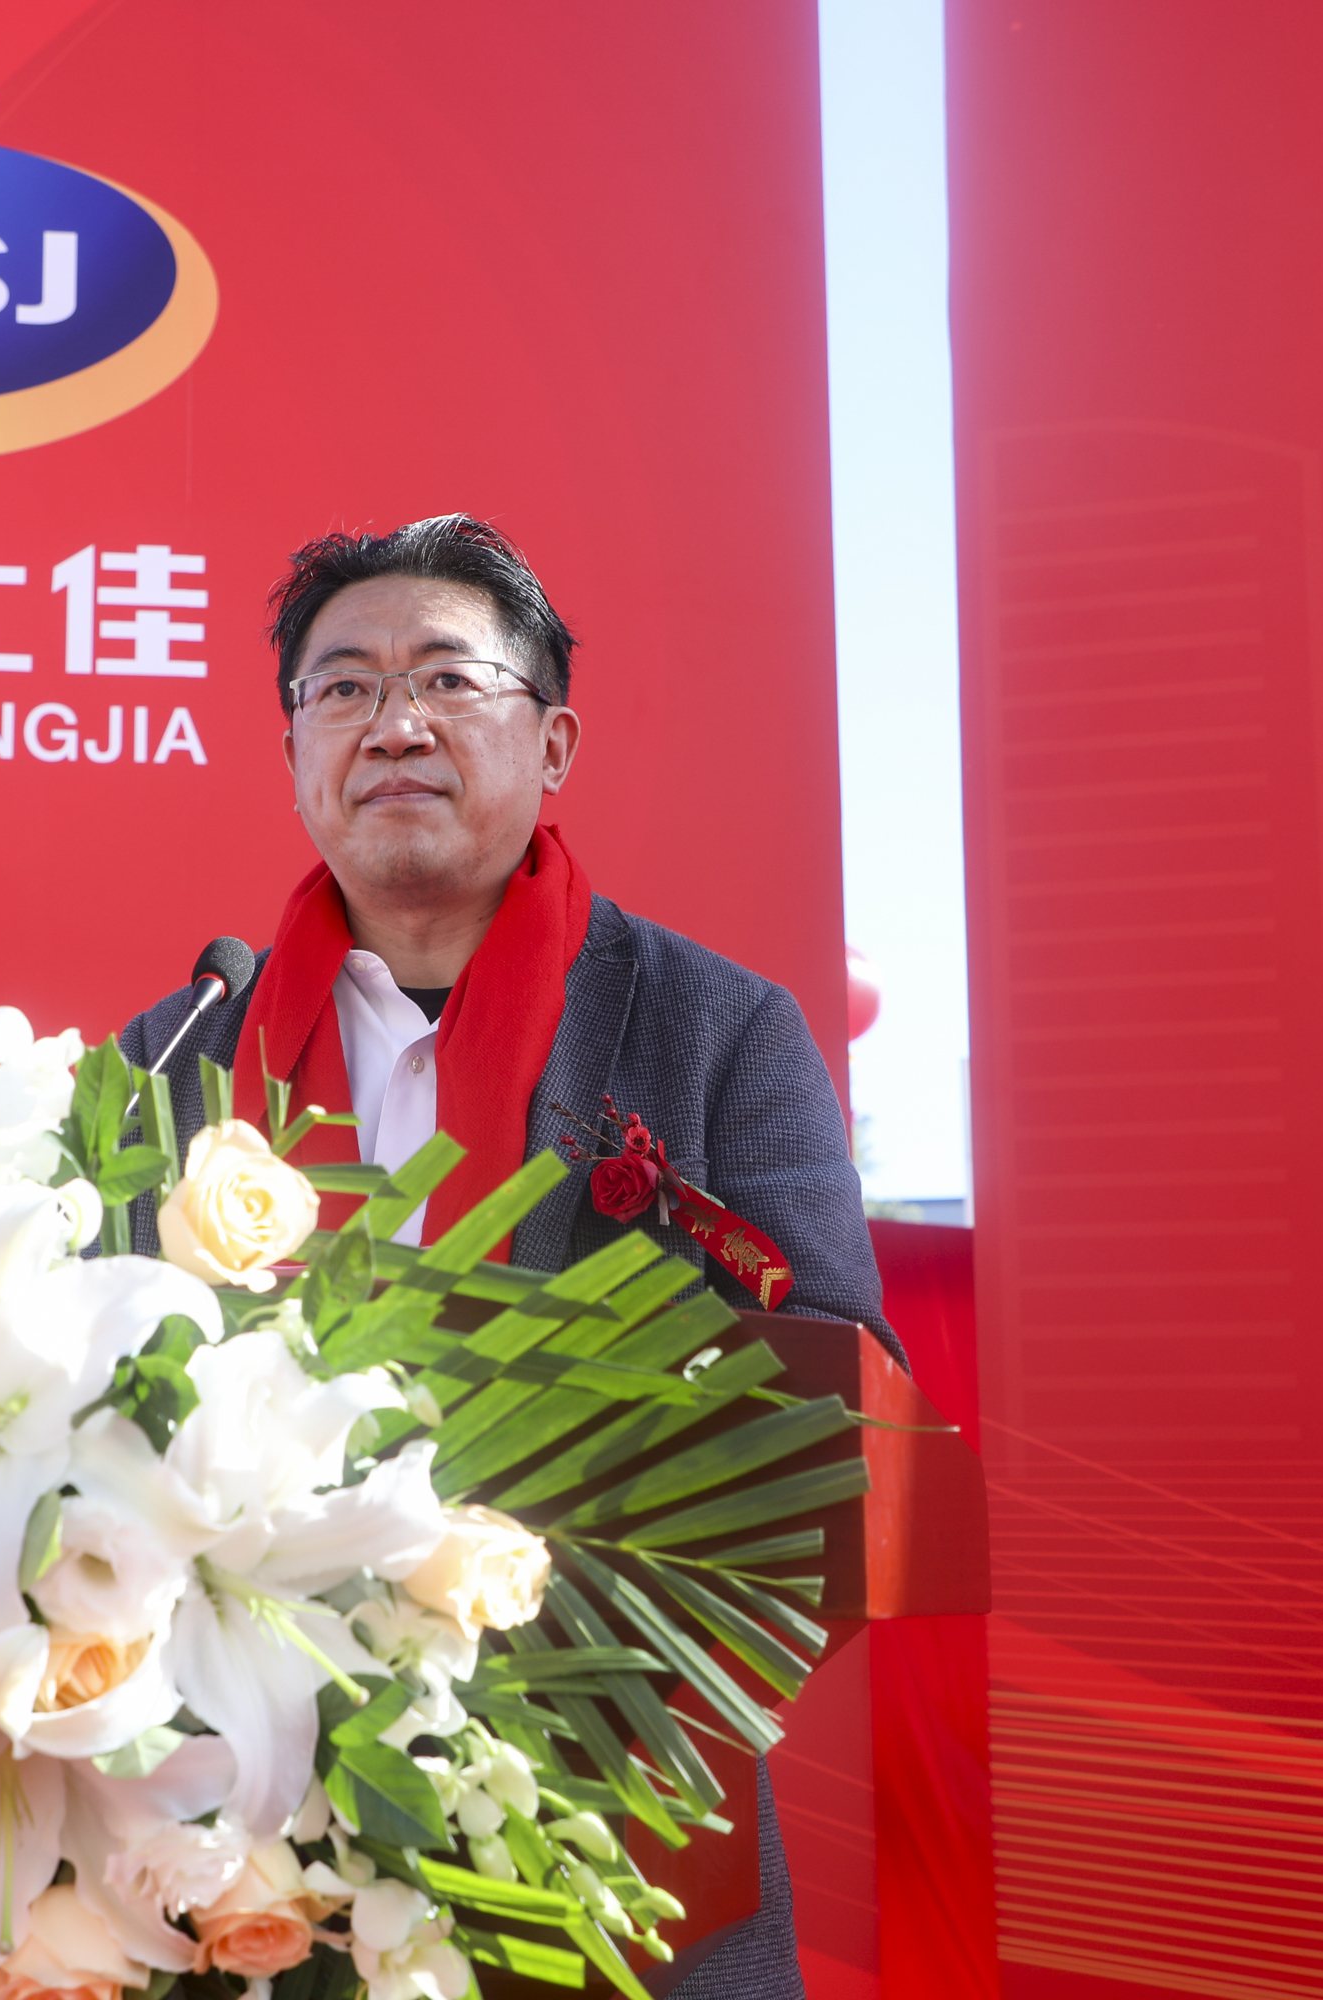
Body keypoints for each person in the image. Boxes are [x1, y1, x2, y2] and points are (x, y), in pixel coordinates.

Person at [116, 514, 902, 1999]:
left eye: (447, 680)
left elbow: (841, 1415)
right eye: (343, 689)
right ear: (294, 755)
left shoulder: (715, 1031)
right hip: (225, 1803)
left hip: (607, 1807)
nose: (393, 725)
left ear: (553, 745)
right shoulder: (181, 1049)